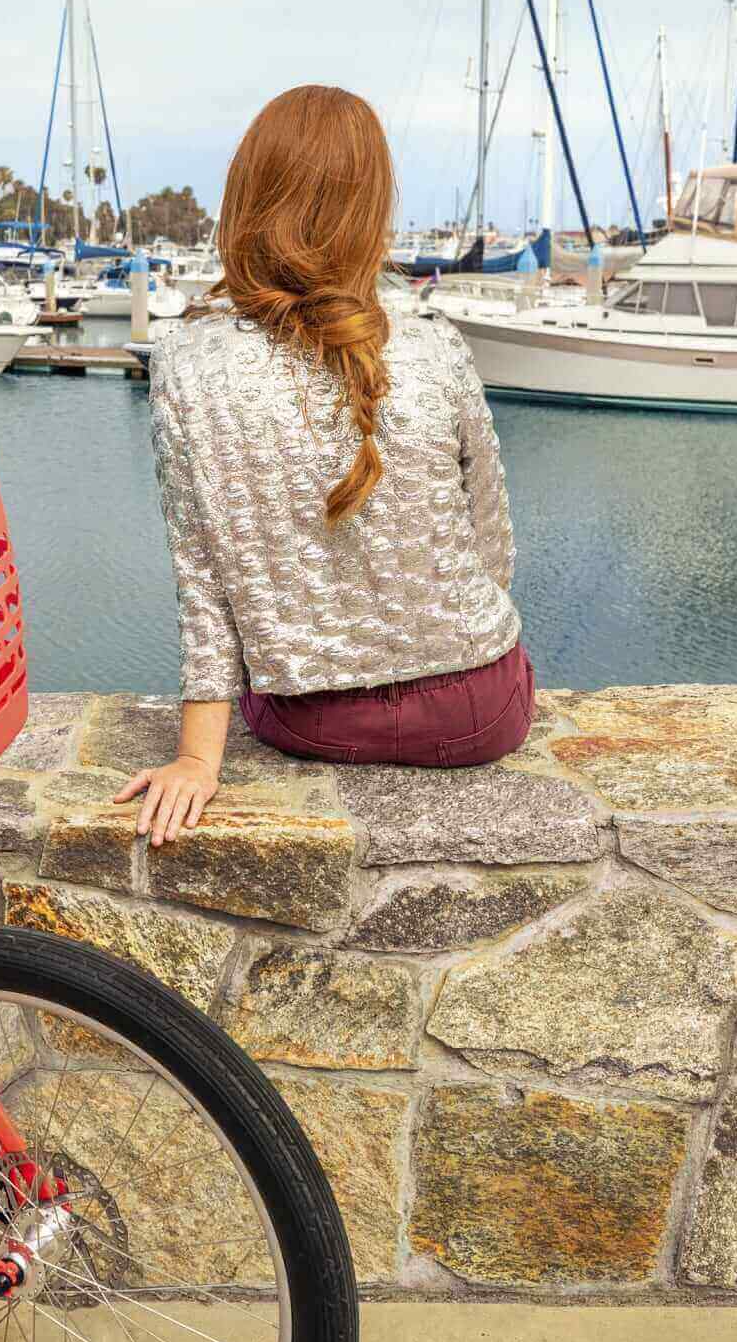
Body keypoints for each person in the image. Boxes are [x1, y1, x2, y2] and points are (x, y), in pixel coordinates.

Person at [117, 84, 532, 845]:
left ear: (246, 200)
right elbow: (492, 539)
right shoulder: (436, 343)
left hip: (310, 720)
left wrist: (197, 760)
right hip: (480, 710)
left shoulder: (185, 361)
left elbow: (202, 580)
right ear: (371, 208)